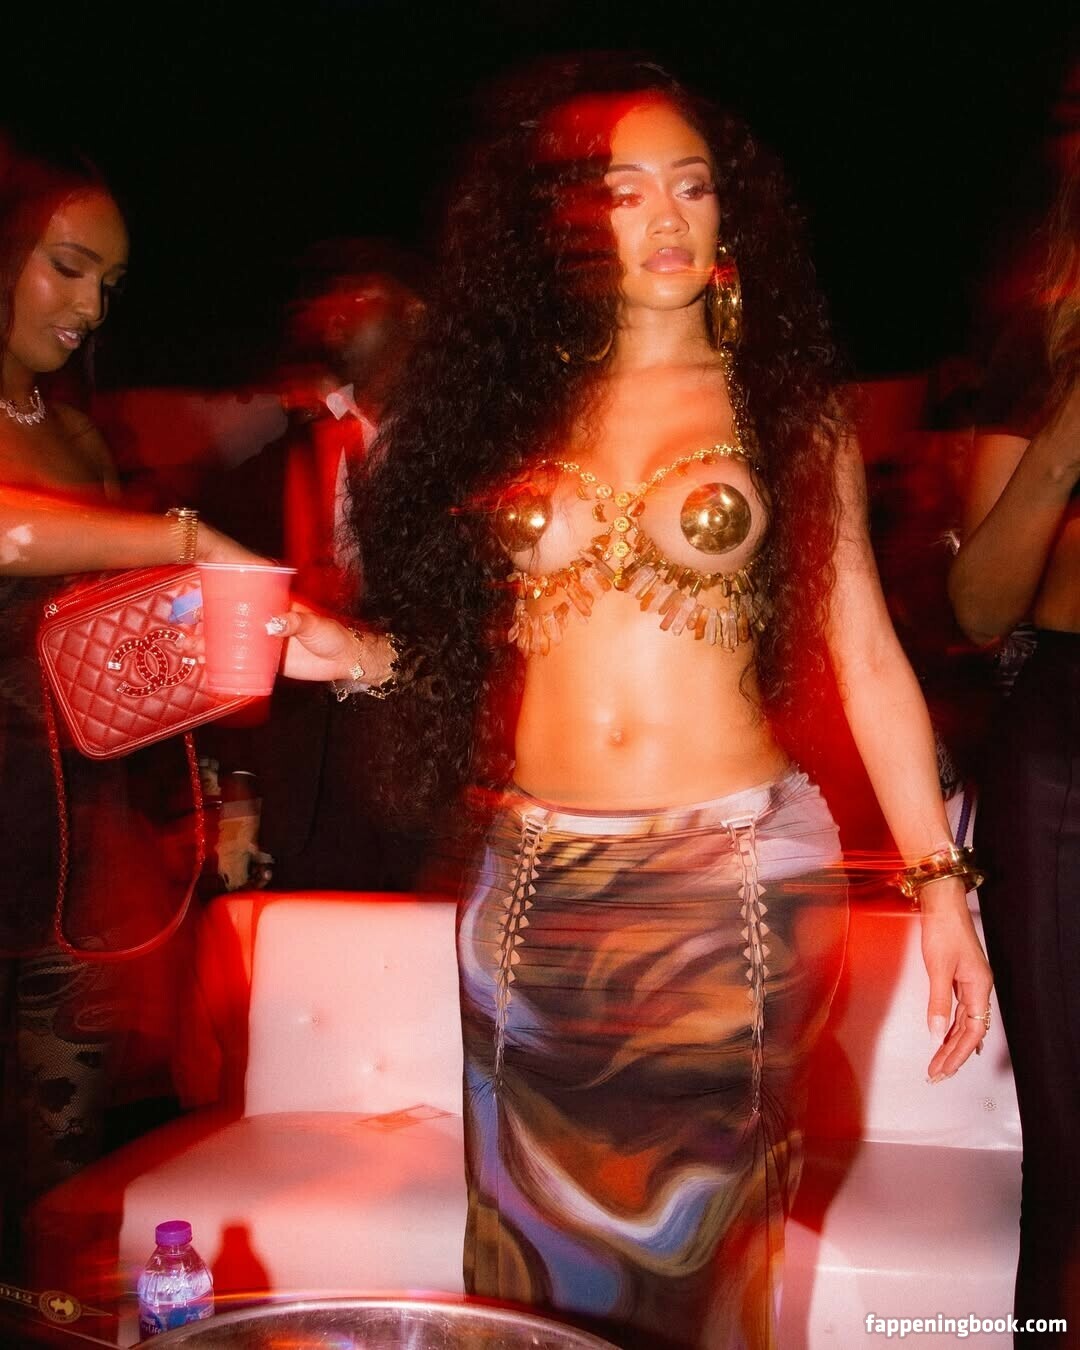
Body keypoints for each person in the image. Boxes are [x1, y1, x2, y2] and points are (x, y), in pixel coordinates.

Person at [272, 57, 993, 1350]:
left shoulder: (785, 410)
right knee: (528, 1261)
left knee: (705, 1261)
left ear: (729, 213)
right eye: (623, 190)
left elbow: (870, 655)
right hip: (533, 889)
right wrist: (359, 655)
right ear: (568, 223)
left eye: (692, 186)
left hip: (729, 890)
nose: (666, 216)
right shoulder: (515, 410)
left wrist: (941, 883)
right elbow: (490, 661)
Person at [0, 135, 254, 1266]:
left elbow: (112, 650)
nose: (91, 307)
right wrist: (183, 540)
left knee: (60, 1176)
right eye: (67, 267)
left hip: (72, 842)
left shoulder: (73, 429)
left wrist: (218, 762)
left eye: (109, 282)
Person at [949, 161, 1079, 1342]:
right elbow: (982, 606)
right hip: (1060, 749)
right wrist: (1065, 437)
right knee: (1071, 1154)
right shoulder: (1041, 351)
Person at [197, 238, 428, 893]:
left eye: (362, 291)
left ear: (416, 313)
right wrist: (241, 785)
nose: (337, 307)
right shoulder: (292, 453)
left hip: (426, 784)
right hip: (310, 792)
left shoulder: (469, 449)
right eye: (330, 292)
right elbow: (243, 615)